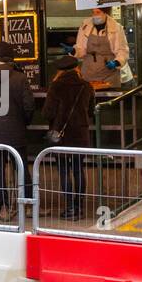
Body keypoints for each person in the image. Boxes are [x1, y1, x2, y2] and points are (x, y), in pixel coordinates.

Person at [0, 40, 36, 219]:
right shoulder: (19, 77)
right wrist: (23, 122)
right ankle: (27, 205)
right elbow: (29, 105)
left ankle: (5, 207)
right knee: (20, 168)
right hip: (15, 129)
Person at [42, 54, 94, 219]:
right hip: (80, 133)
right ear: (76, 68)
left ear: (59, 70)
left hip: (61, 135)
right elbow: (91, 111)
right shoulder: (86, 86)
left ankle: (70, 208)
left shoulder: (56, 86)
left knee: (64, 172)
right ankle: (79, 208)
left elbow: (47, 113)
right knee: (79, 170)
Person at [66, 7, 129, 89]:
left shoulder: (116, 27)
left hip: (109, 75)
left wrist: (116, 62)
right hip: (88, 73)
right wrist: (74, 50)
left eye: (98, 12)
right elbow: (81, 48)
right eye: (93, 12)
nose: (95, 15)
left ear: (105, 13)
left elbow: (122, 50)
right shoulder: (85, 25)